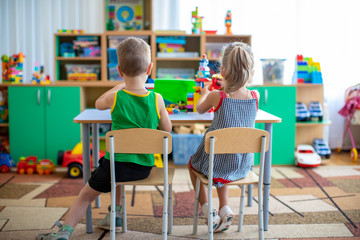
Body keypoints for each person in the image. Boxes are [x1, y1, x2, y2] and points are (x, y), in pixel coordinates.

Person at [36, 37, 172, 240]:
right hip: (143, 168)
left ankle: (64, 232)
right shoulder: (157, 99)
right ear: (150, 68)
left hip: (114, 168)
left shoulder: (116, 97)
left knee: (85, 196)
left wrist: (119, 86)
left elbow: (99, 104)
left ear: (119, 70)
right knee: (120, 169)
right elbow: (167, 131)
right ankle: (114, 215)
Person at [188, 42, 259, 232]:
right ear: (250, 70)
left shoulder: (217, 96)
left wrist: (204, 93)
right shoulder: (255, 96)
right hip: (241, 163)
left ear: (223, 71)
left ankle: (207, 208)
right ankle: (224, 208)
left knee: (193, 163)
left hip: (215, 161)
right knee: (223, 161)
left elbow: (200, 109)